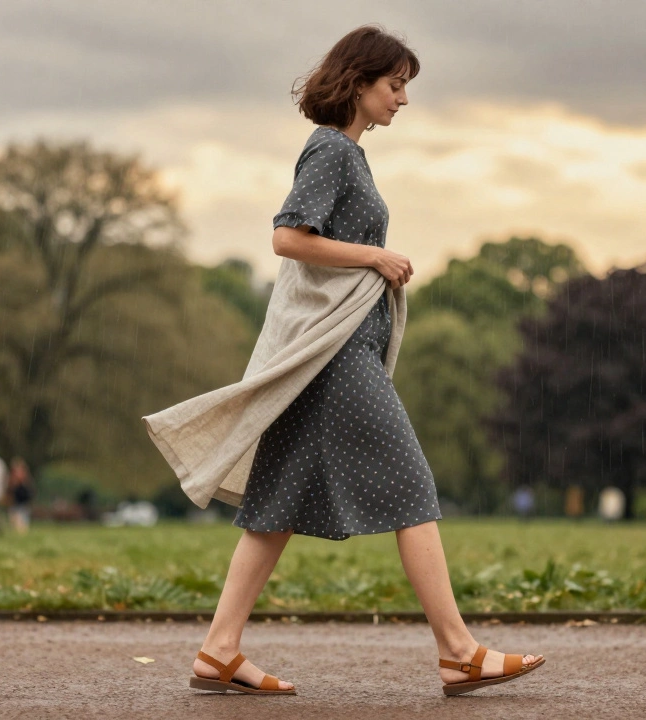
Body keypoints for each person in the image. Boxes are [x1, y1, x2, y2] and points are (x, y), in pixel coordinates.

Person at [150, 27, 541, 697]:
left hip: (339, 351)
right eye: (395, 85)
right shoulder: (331, 151)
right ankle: (459, 652)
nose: (404, 99)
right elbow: (286, 236)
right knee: (413, 486)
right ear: (359, 83)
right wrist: (376, 257)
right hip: (333, 357)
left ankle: (218, 651)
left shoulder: (348, 155)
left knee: (273, 508)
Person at [7, 457, 34, 534]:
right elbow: (10, 491)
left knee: (22, 521)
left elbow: (29, 492)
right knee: (14, 520)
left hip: (23, 503)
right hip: (15, 502)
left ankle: (22, 533)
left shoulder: (26, 481)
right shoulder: (12, 480)